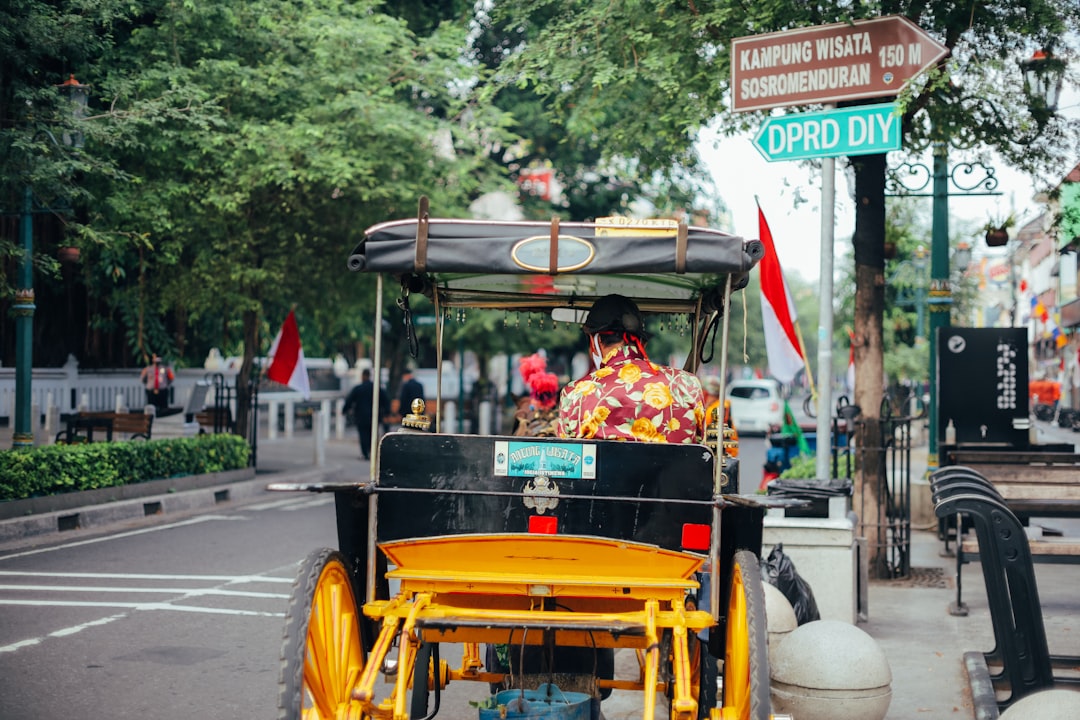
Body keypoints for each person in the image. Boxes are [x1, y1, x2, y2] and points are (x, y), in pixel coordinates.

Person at [557, 294, 705, 443]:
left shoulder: (574, 394)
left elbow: (568, 459)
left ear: (596, 341)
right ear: (642, 343)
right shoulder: (687, 384)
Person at [343, 369, 389, 460]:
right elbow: (385, 400)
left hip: (361, 416)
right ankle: (371, 451)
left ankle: (365, 453)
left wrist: (344, 410)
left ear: (362, 376)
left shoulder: (358, 388)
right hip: (374, 416)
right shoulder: (376, 388)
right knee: (372, 434)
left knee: (363, 435)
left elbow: (350, 400)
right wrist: (387, 412)